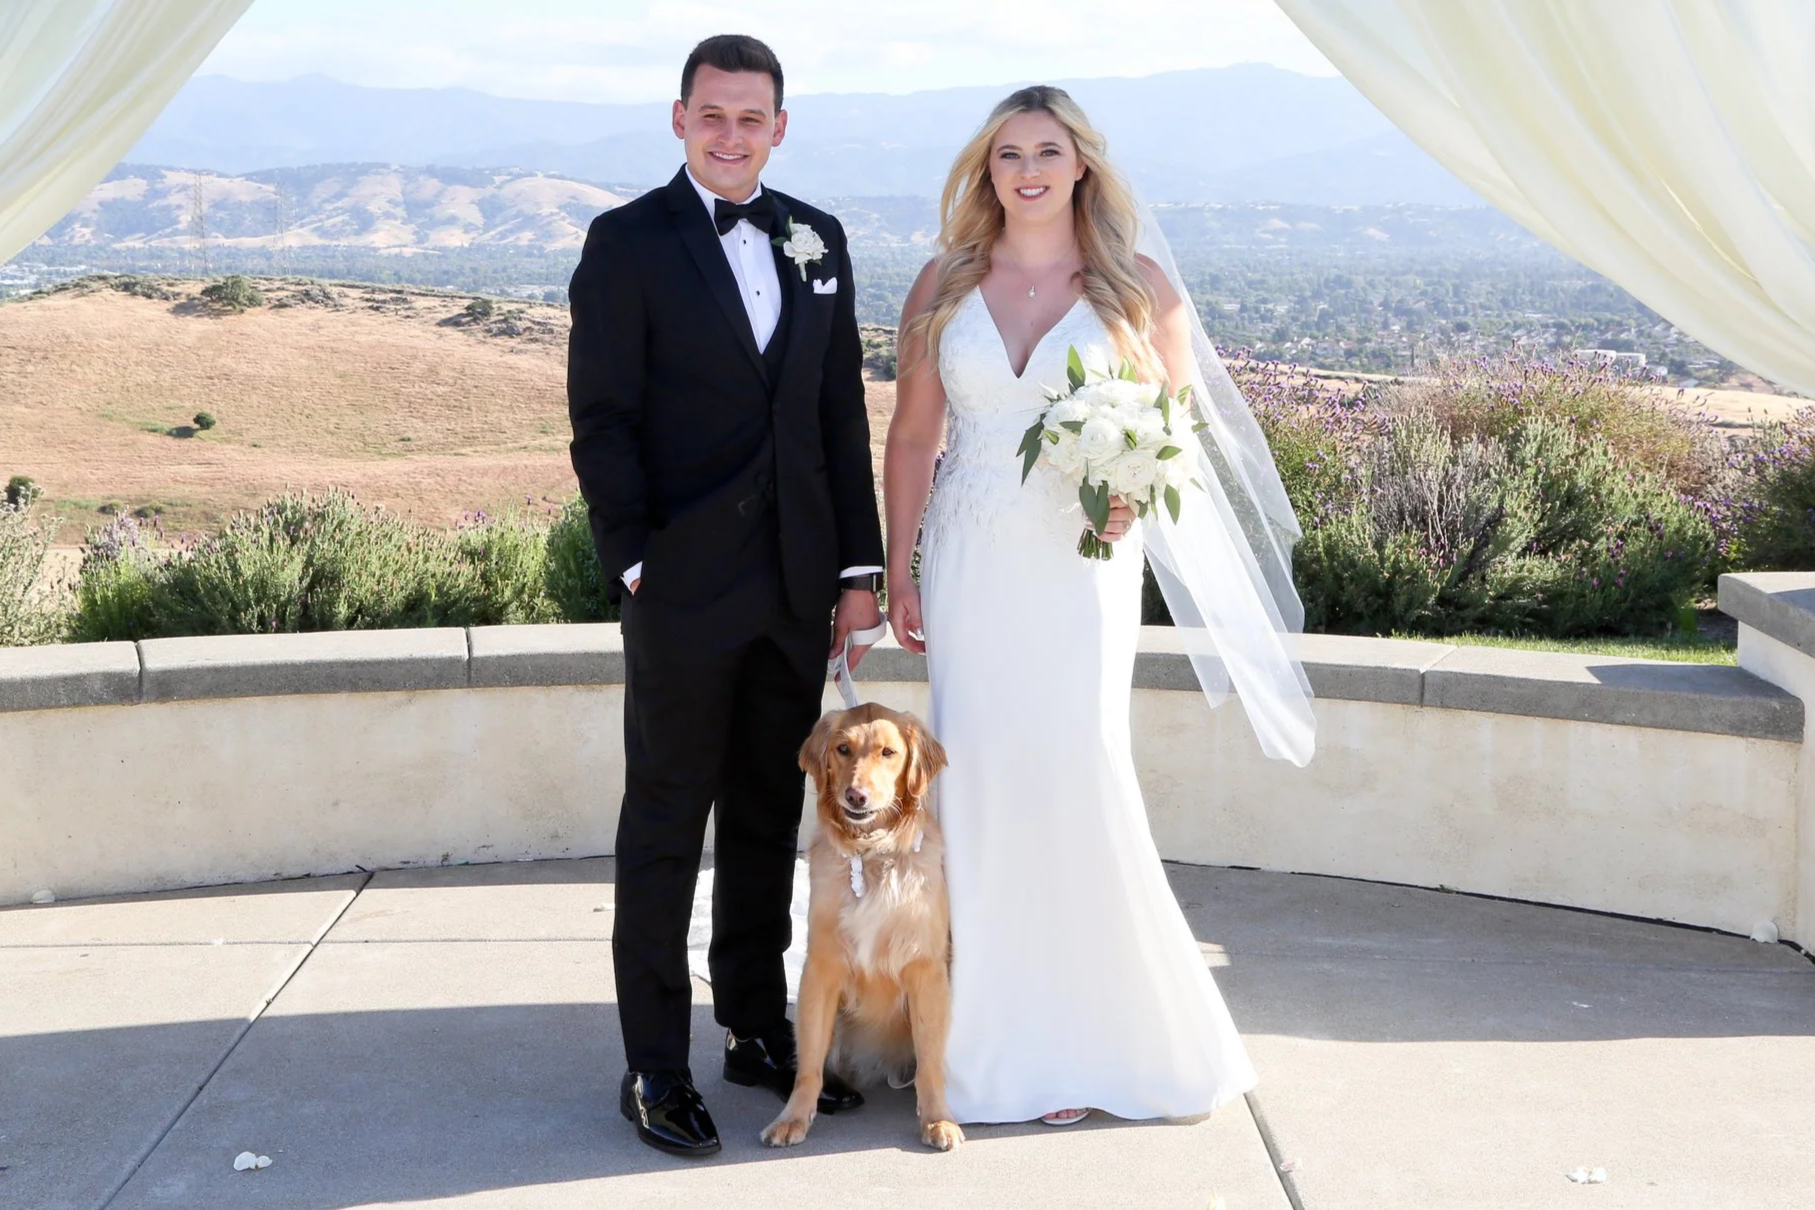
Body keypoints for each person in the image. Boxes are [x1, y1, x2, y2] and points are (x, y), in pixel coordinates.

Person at [885, 85, 1316, 1126]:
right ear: (985, 172)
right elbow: (911, 436)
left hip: (1083, 567)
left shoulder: (1138, 290)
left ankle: (1085, 1036)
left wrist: (1132, 491)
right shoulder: (943, 282)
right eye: (1006, 155)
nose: (1027, 170)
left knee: (1079, 765)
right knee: (975, 778)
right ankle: (968, 1024)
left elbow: (1174, 441)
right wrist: (899, 567)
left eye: (1047, 150)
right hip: (974, 558)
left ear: (1083, 164)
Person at [567, 33, 885, 1157]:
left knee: (766, 814)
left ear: (780, 127)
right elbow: (600, 420)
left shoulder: (820, 240)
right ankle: (654, 1068)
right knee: (664, 825)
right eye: (713, 115)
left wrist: (858, 572)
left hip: (799, 589)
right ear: (679, 118)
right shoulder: (625, 245)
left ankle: (754, 1026)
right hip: (684, 590)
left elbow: (837, 417)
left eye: (752, 118)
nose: (732, 134)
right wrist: (638, 561)